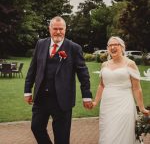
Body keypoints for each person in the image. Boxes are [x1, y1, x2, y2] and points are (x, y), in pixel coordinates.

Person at [24, 16, 93, 144]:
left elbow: (83, 73)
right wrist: (27, 91)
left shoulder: (74, 48)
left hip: (62, 99)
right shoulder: (41, 44)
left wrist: (86, 96)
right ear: (49, 29)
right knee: (36, 127)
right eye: (55, 29)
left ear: (65, 30)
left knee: (61, 137)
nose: (58, 32)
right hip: (41, 97)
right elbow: (32, 69)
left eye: (61, 29)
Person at [92, 36, 149, 144]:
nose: (113, 47)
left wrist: (141, 108)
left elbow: (137, 88)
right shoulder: (104, 65)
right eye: (110, 45)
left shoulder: (130, 64)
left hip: (124, 104)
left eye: (116, 45)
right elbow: (101, 86)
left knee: (122, 133)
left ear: (122, 47)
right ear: (108, 48)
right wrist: (95, 102)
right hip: (107, 105)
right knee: (108, 134)